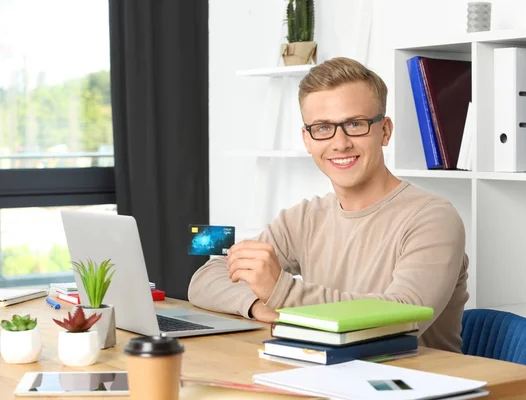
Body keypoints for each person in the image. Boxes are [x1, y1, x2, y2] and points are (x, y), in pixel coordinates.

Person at [188, 57, 469, 353]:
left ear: (384, 131)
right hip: (321, 373)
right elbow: (206, 278)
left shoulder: (434, 218)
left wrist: (280, 291)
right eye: (322, 128)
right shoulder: (305, 217)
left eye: (355, 124)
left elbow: (402, 319)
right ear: (307, 140)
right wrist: (256, 304)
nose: (340, 142)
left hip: (415, 384)